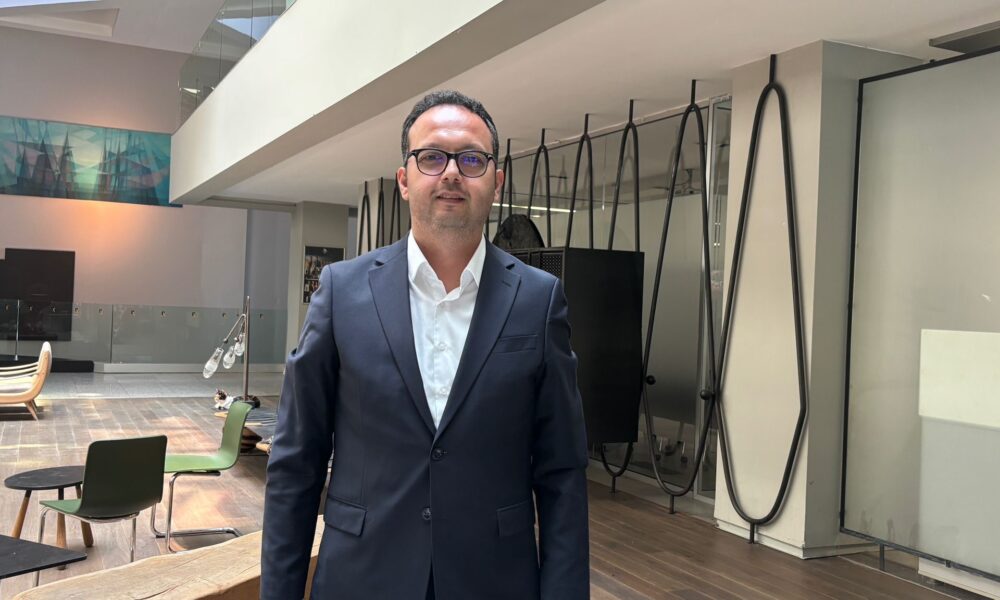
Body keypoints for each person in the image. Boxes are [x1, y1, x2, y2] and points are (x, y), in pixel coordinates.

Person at [261, 90, 589, 600]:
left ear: (496, 182)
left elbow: (562, 472)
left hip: (494, 580)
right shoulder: (342, 292)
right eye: (432, 157)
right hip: (362, 577)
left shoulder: (538, 300)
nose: (452, 172)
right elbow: (296, 461)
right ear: (404, 179)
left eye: (472, 159)